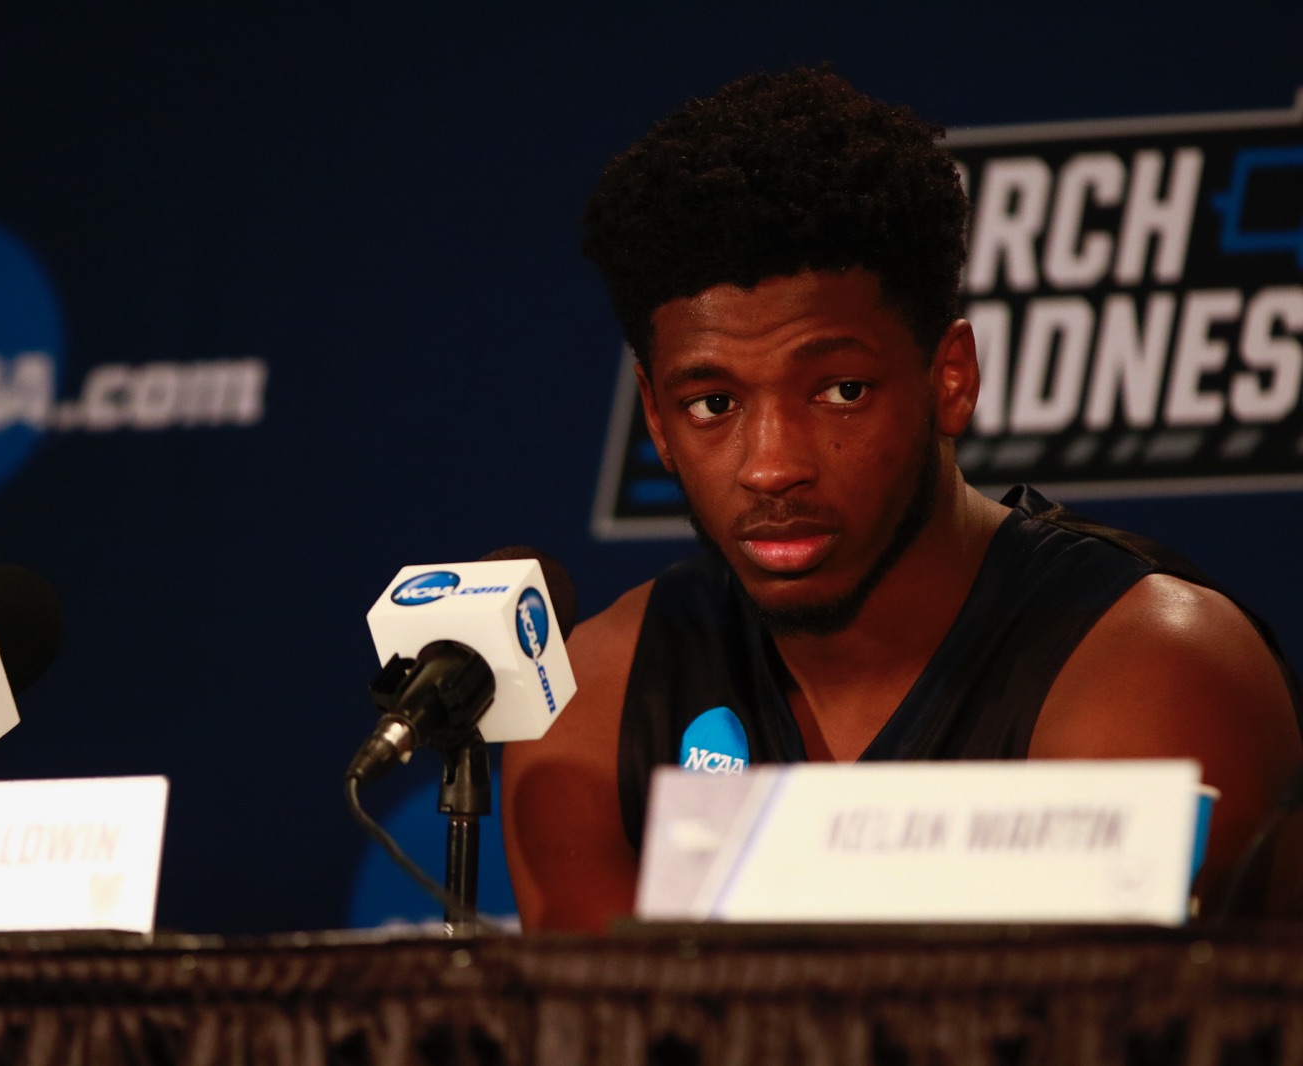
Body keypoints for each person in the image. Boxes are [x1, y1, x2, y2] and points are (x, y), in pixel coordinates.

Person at [500, 68, 1303, 933]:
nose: (770, 467)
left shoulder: (1153, 672)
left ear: (950, 378)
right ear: (657, 419)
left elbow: (1076, 1009)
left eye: (840, 391)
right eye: (713, 404)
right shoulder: (600, 700)